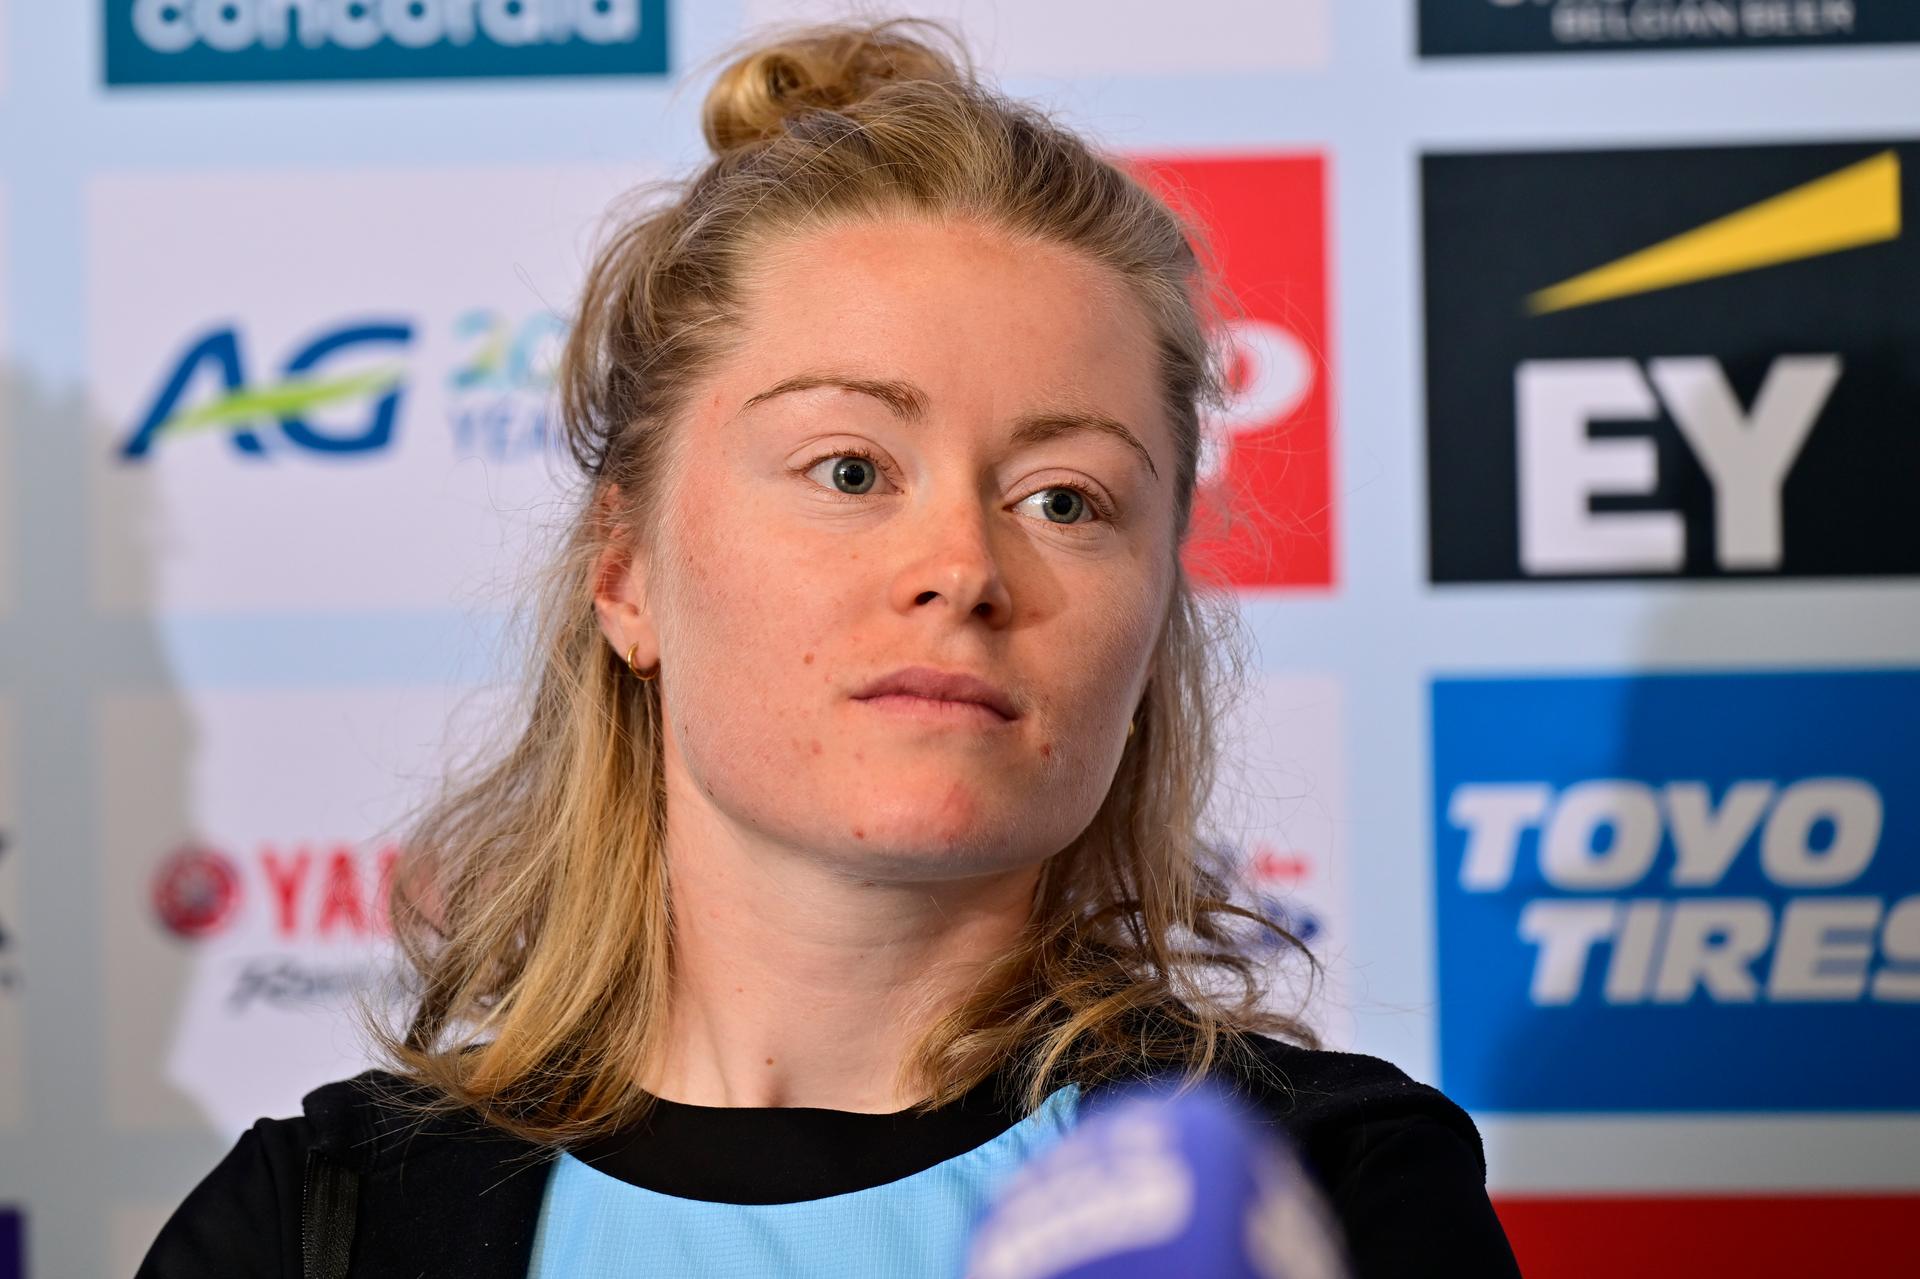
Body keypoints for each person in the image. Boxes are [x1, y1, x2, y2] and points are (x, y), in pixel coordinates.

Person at [137, 19, 1521, 1279]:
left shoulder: (1332, 1199)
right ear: (626, 572)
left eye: (1065, 500)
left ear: (1159, 607)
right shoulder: (314, 1226)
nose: (964, 569)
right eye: (850, 470)